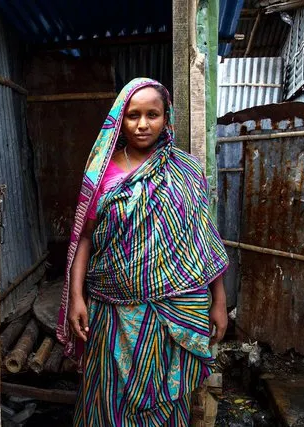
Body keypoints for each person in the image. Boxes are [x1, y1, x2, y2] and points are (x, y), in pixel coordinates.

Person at [56, 78, 229, 425]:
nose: (142, 124)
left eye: (153, 114)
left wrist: (219, 301)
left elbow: (203, 241)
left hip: (173, 314)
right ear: (121, 120)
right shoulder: (101, 173)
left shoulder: (187, 171)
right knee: (109, 399)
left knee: (167, 399)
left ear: (167, 118)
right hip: (113, 312)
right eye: (133, 115)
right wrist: (76, 296)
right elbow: (85, 238)